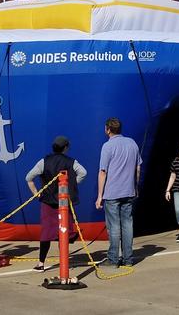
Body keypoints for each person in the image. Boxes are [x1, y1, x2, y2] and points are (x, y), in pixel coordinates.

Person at [26, 135, 87, 275]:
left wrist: (37, 193)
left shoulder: (44, 161)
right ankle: (63, 261)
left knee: (46, 232)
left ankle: (41, 263)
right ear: (66, 148)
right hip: (64, 200)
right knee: (64, 231)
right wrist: (71, 184)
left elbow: (28, 177)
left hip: (47, 201)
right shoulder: (71, 161)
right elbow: (84, 173)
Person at [95, 117, 142, 267]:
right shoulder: (132, 143)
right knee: (128, 225)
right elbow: (138, 168)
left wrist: (99, 195)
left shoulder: (107, 146)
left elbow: (103, 172)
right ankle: (128, 259)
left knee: (114, 226)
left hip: (112, 192)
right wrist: (136, 186)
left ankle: (113, 259)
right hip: (128, 190)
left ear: (108, 129)